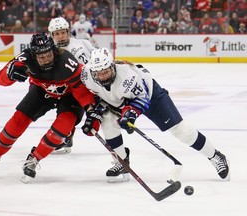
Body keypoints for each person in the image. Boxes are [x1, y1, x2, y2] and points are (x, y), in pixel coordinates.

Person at [80, 47, 230, 182]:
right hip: (118, 100)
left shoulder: (127, 76)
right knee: (107, 122)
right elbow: (92, 95)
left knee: (181, 131)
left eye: (106, 71)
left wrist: (130, 114)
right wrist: (94, 112)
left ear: (113, 66)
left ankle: (215, 156)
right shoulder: (86, 76)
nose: (103, 76)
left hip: (150, 96)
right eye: (98, 73)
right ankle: (122, 162)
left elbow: (142, 98)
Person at [0, 33, 100, 183]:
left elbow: (81, 91)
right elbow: (0, 80)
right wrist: (9, 75)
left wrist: (91, 111)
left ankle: (34, 159)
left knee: (62, 128)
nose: (46, 59)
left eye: (48, 54)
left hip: (69, 95)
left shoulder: (67, 62)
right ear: (33, 55)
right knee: (18, 120)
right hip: (42, 91)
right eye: (41, 56)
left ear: (54, 50)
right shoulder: (24, 59)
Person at [48, 16, 96, 153]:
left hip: (93, 86)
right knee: (66, 111)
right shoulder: (51, 53)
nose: (61, 36)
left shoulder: (83, 43)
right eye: (57, 34)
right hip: (72, 90)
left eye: (63, 32)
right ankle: (67, 136)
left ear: (68, 32)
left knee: (102, 118)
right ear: (52, 35)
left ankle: (117, 150)